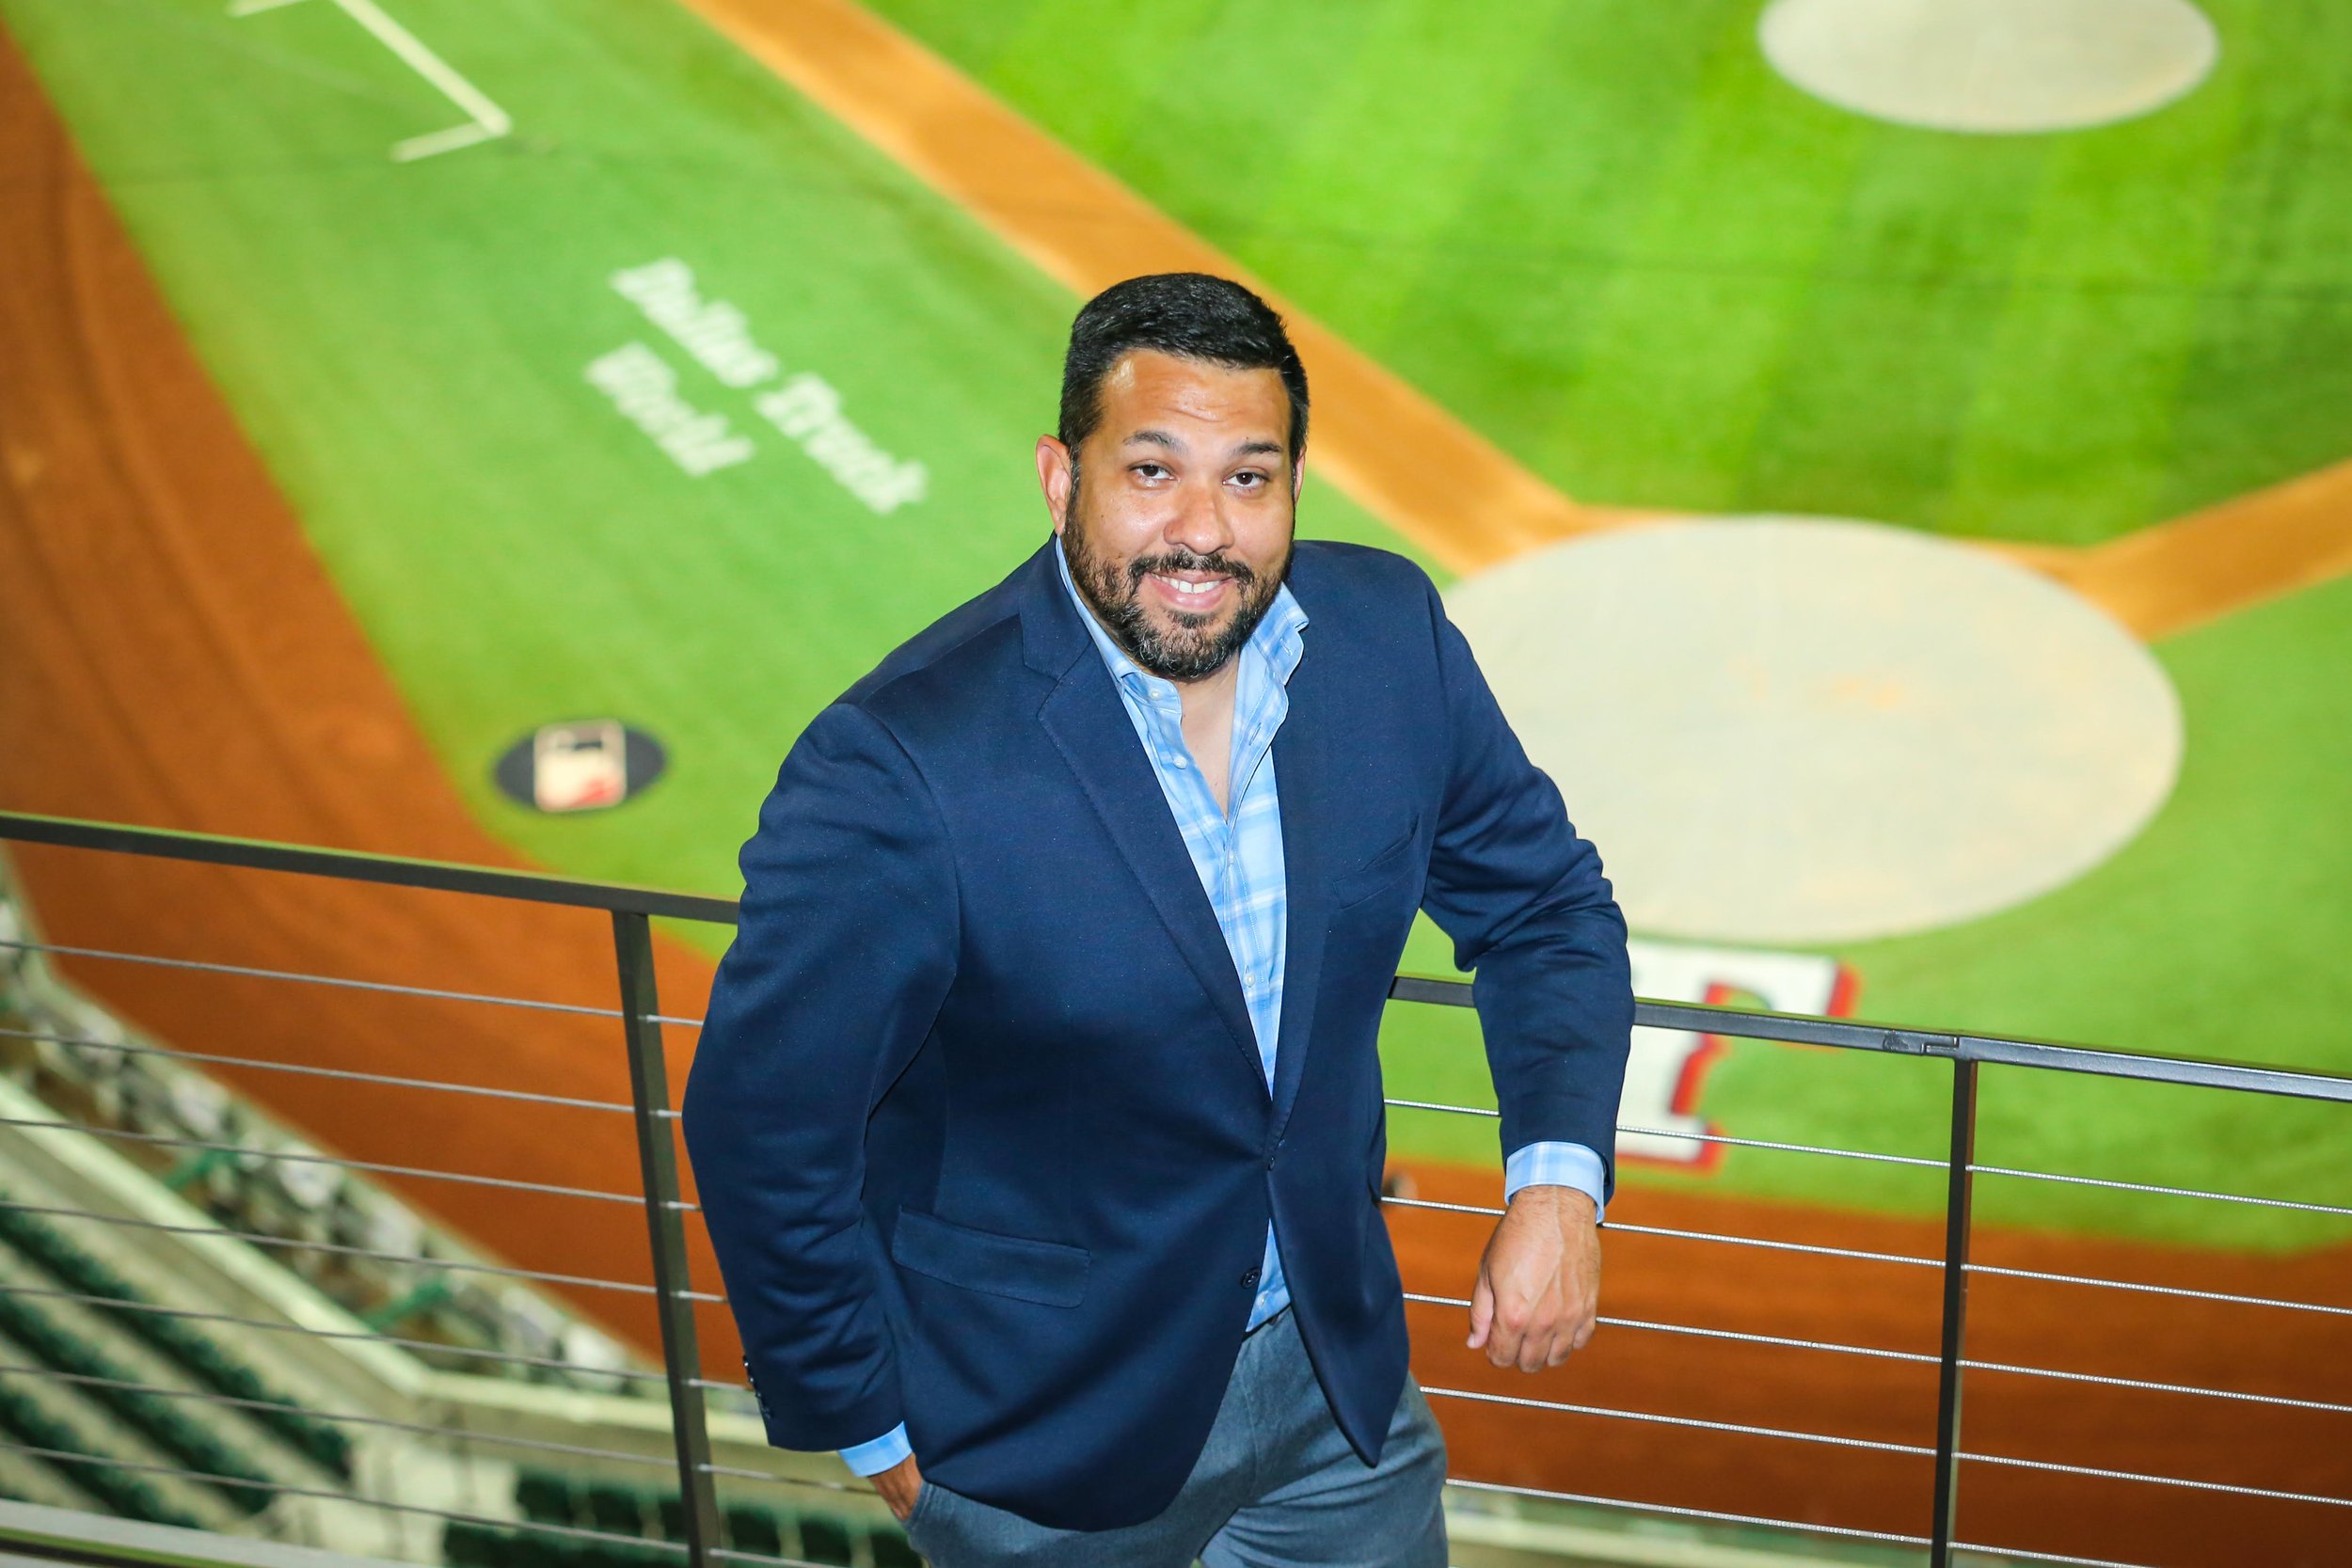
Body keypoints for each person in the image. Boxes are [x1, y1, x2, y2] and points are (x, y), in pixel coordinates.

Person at [681, 273, 1632, 1568]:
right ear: (1059, 480)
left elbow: (1547, 906)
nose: (1203, 531)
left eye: (1249, 478)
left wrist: (1558, 1186)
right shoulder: (898, 763)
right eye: (1151, 472)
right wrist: (860, 1420)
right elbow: (764, 1118)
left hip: (1338, 1389)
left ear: (1295, 487)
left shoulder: (1386, 635)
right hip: (1034, 1441)